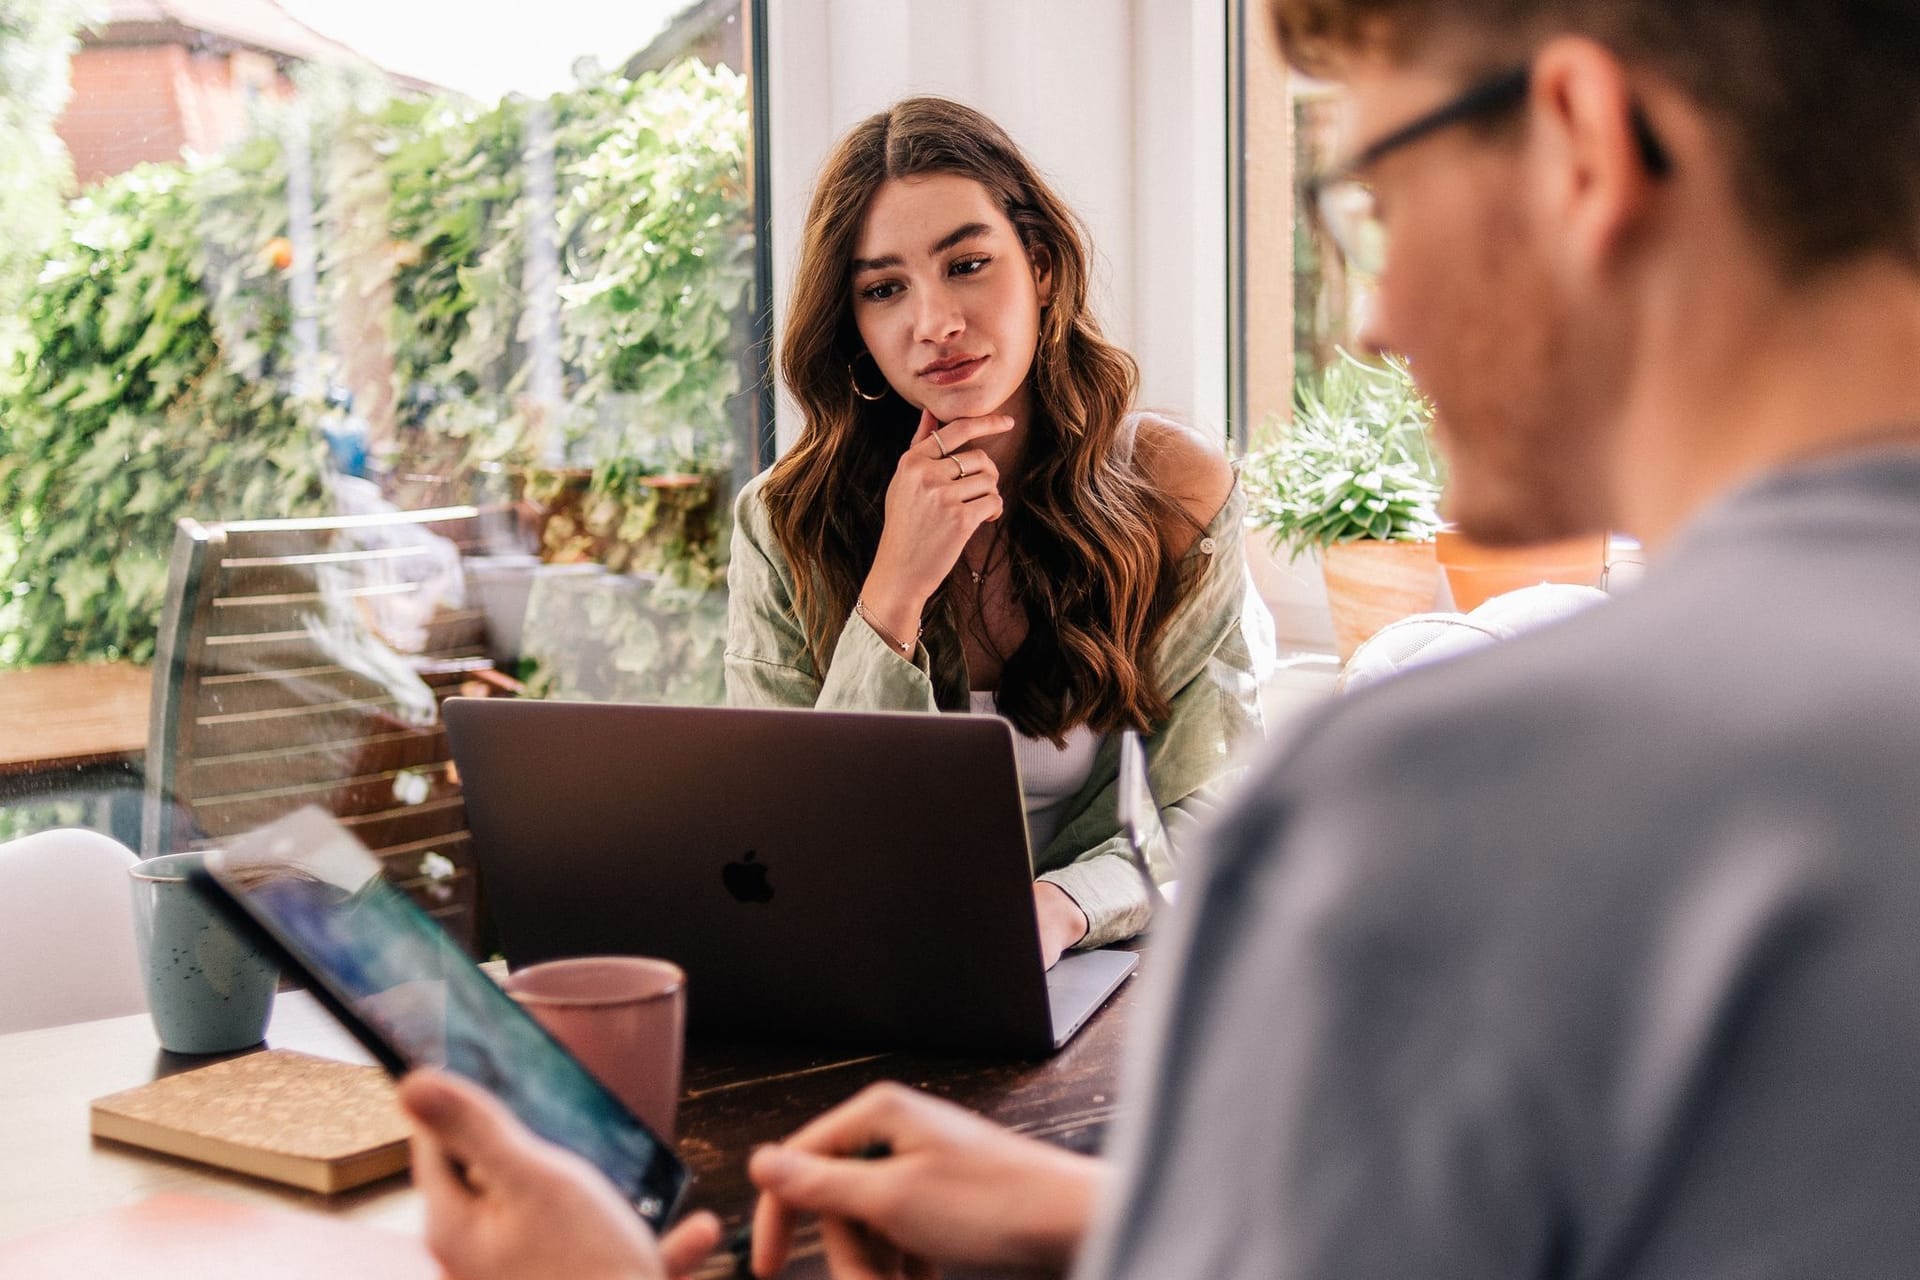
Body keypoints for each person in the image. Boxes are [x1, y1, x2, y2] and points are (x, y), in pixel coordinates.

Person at [401, 0, 1920, 1276]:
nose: (1373, 314)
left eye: (1371, 197)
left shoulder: (1430, 797)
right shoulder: (795, 520)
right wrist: (1116, 1222)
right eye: (885, 289)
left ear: (1586, 144)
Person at [723, 97, 1268, 966]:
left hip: (1105, 965)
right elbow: (783, 832)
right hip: (863, 965)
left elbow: (1212, 806)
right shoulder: (783, 521)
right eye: (884, 288)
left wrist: (1060, 907)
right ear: (854, 321)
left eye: (968, 264)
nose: (934, 323)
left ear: (1041, 267)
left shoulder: (1175, 491)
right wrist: (893, 593)